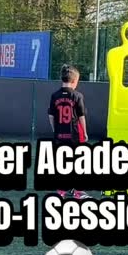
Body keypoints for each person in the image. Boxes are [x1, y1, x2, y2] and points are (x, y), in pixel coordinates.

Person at [48, 64, 88, 199]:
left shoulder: (55, 95)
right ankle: (77, 191)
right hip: (74, 136)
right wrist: (85, 133)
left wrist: (55, 130)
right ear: (75, 81)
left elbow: (51, 116)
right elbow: (81, 116)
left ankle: (61, 190)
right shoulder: (77, 96)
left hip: (60, 136)